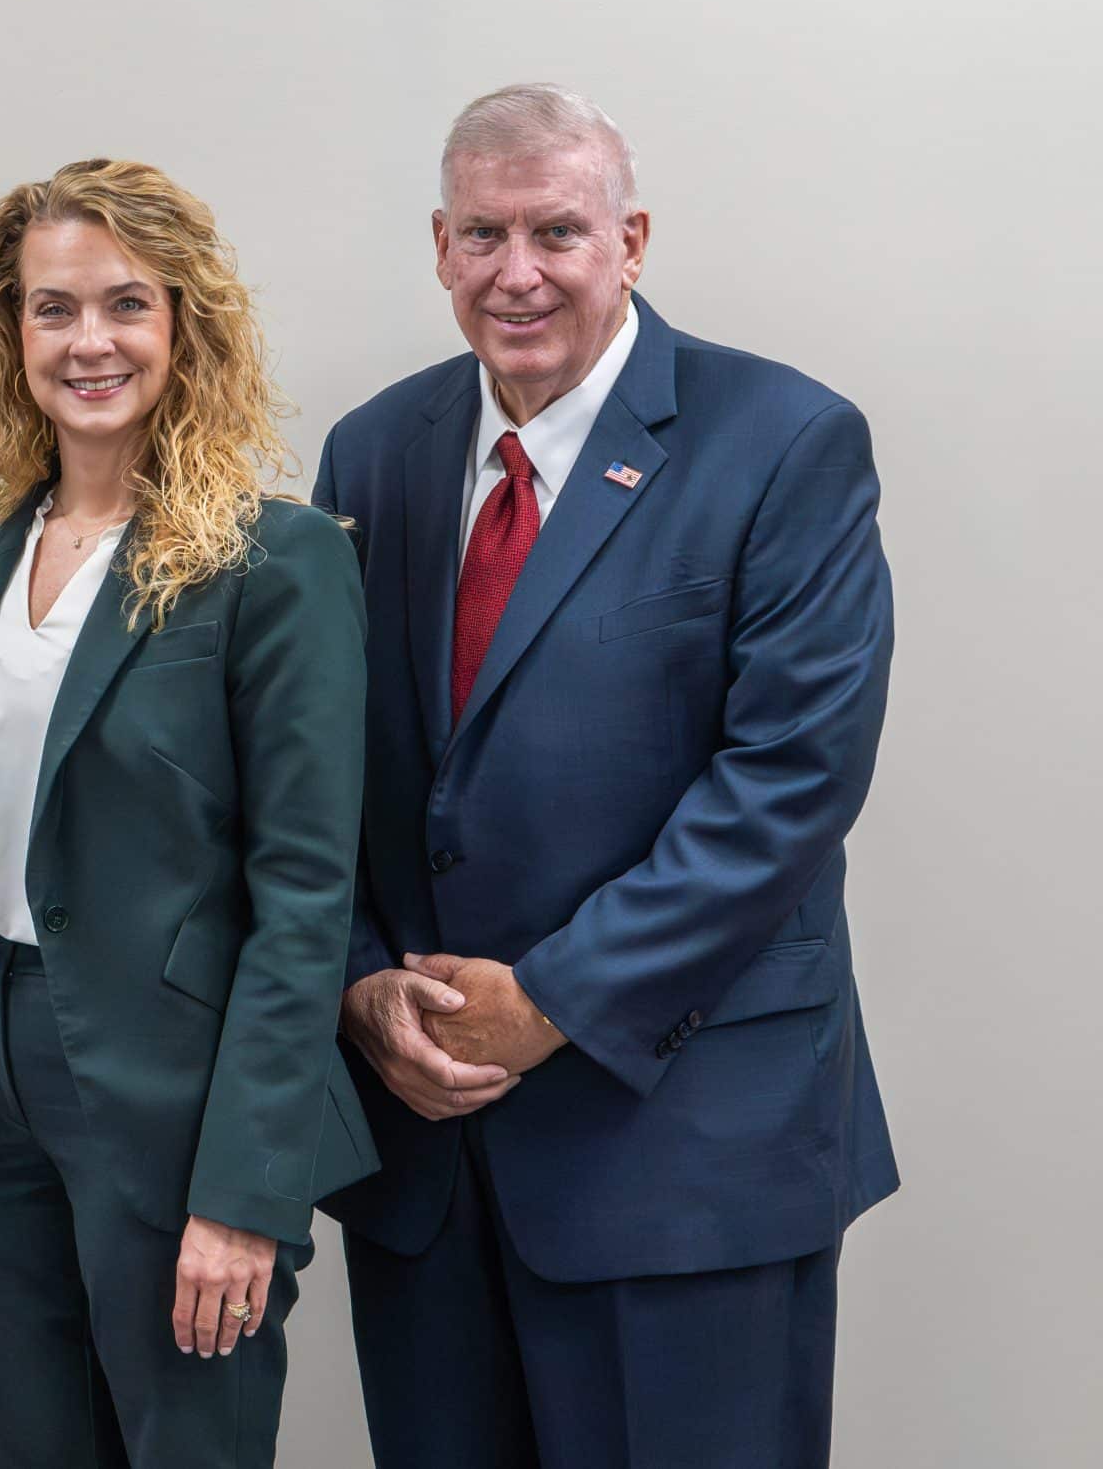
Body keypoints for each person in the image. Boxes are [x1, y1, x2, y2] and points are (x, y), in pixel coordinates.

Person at [314, 84, 897, 1469]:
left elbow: (790, 784)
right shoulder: (371, 453)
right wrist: (355, 976)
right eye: (482, 234)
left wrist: (557, 1003)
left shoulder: (783, 442)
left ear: (629, 241)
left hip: (685, 1148)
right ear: (439, 247)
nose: (518, 272)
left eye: (557, 231)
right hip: (431, 1156)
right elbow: (314, 772)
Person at [0, 159, 374, 1467]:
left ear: (184, 324)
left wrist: (249, 1194)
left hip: (179, 1090)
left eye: (127, 304)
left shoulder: (279, 560)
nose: (91, 341)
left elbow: (307, 892)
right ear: (8, 331)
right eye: (53, 308)